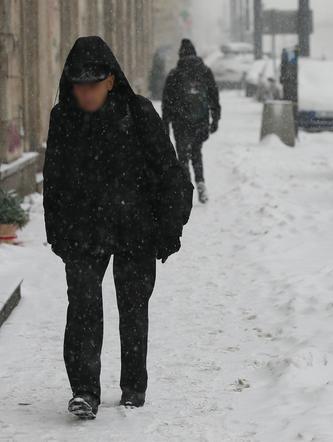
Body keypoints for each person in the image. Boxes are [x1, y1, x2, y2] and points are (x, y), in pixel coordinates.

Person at [43, 36, 193, 420]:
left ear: (111, 81)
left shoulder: (139, 113)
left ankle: (132, 388)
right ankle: (84, 391)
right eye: (78, 85)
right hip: (82, 232)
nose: (85, 93)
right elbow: (54, 179)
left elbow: (170, 174)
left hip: (135, 228)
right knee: (83, 307)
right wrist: (58, 232)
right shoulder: (63, 119)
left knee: (133, 307)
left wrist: (169, 228)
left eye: (93, 84)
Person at [162, 39, 221, 204]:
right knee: (196, 152)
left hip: (180, 122)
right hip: (200, 120)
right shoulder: (205, 71)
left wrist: (165, 125)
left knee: (182, 156)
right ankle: (201, 184)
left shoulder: (174, 74)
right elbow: (213, 96)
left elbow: (167, 103)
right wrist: (215, 118)